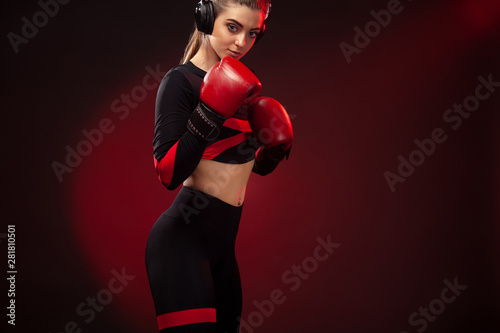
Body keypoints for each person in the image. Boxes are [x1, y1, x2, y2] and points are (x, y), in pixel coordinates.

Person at [145, 1, 293, 332]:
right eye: (233, 27)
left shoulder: (246, 90)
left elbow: (235, 164)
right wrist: (207, 115)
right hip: (182, 242)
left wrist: (269, 153)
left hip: (224, 249)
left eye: (252, 32)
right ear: (207, 19)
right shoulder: (180, 82)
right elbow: (168, 173)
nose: (242, 42)